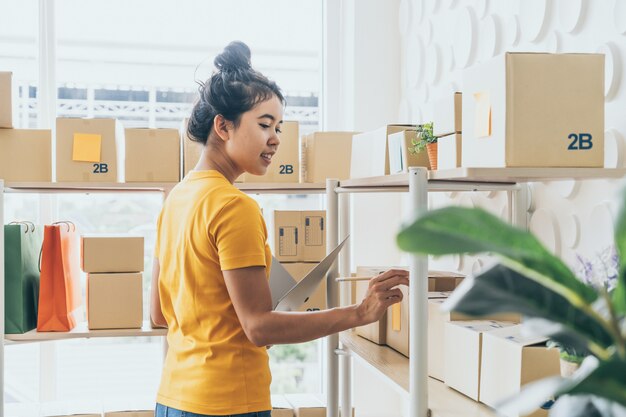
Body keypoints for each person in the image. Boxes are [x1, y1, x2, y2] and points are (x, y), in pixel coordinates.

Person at [150, 41, 409, 417]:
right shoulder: (233, 206)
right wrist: (360, 312)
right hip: (227, 403)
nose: (275, 139)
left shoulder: (175, 200)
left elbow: (158, 313)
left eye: (279, 128)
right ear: (222, 125)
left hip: (173, 398)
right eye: (265, 124)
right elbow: (258, 327)